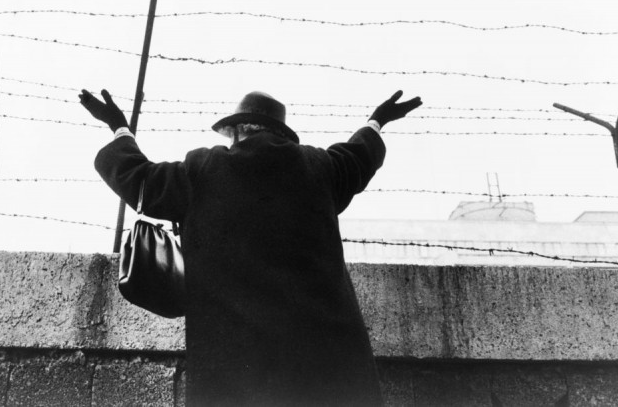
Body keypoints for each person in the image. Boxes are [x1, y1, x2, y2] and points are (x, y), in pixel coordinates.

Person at [80, 88, 422, 406]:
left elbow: (138, 179)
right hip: (328, 368)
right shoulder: (321, 167)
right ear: (282, 133)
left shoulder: (203, 170)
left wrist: (119, 127)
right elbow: (359, 157)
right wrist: (377, 121)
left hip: (238, 374)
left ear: (238, 131)